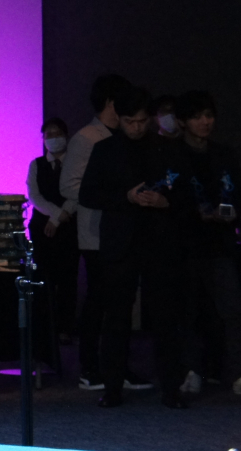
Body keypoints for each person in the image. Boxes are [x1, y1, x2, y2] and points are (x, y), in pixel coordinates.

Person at [79, 85, 184, 407]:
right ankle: (112, 388)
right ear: (119, 118)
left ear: (150, 118)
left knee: (165, 317)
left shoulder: (166, 148)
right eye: (129, 121)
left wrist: (165, 201)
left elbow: (186, 193)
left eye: (141, 121)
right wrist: (125, 197)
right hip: (121, 243)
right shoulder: (106, 149)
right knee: (116, 318)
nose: (136, 127)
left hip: (158, 241)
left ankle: (171, 389)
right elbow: (87, 194)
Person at [60, 74, 133, 391]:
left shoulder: (118, 136)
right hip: (95, 233)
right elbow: (69, 186)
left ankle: (116, 367)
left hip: (120, 231)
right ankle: (89, 368)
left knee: (117, 303)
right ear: (111, 102)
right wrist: (111, 196)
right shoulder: (87, 138)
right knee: (99, 301)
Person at [168, 90, 241, 395]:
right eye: (197, 117)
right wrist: (194, 212)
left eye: (209, 116)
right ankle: (191, 370)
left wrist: (232, 212)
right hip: (185, 243)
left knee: (231, 309)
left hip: (220, 242)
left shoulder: (224, 154)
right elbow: (168, 197)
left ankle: (235, 372)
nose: (205, 122)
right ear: (183, 121)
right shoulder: (171, 154)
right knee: (188, 310)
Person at [27, 117, 77, 340]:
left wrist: (57, 220)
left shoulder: (76, 163)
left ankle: (65, 328)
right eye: (49, 135)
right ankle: (44, 329)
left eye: (58, 134)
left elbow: (78, 193)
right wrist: (56, 214)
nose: (54, 139)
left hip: (69, 227)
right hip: (41, 228)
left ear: (66, 136)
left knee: (68, 279)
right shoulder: (36, 164)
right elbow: (34, 196)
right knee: (43, 278)